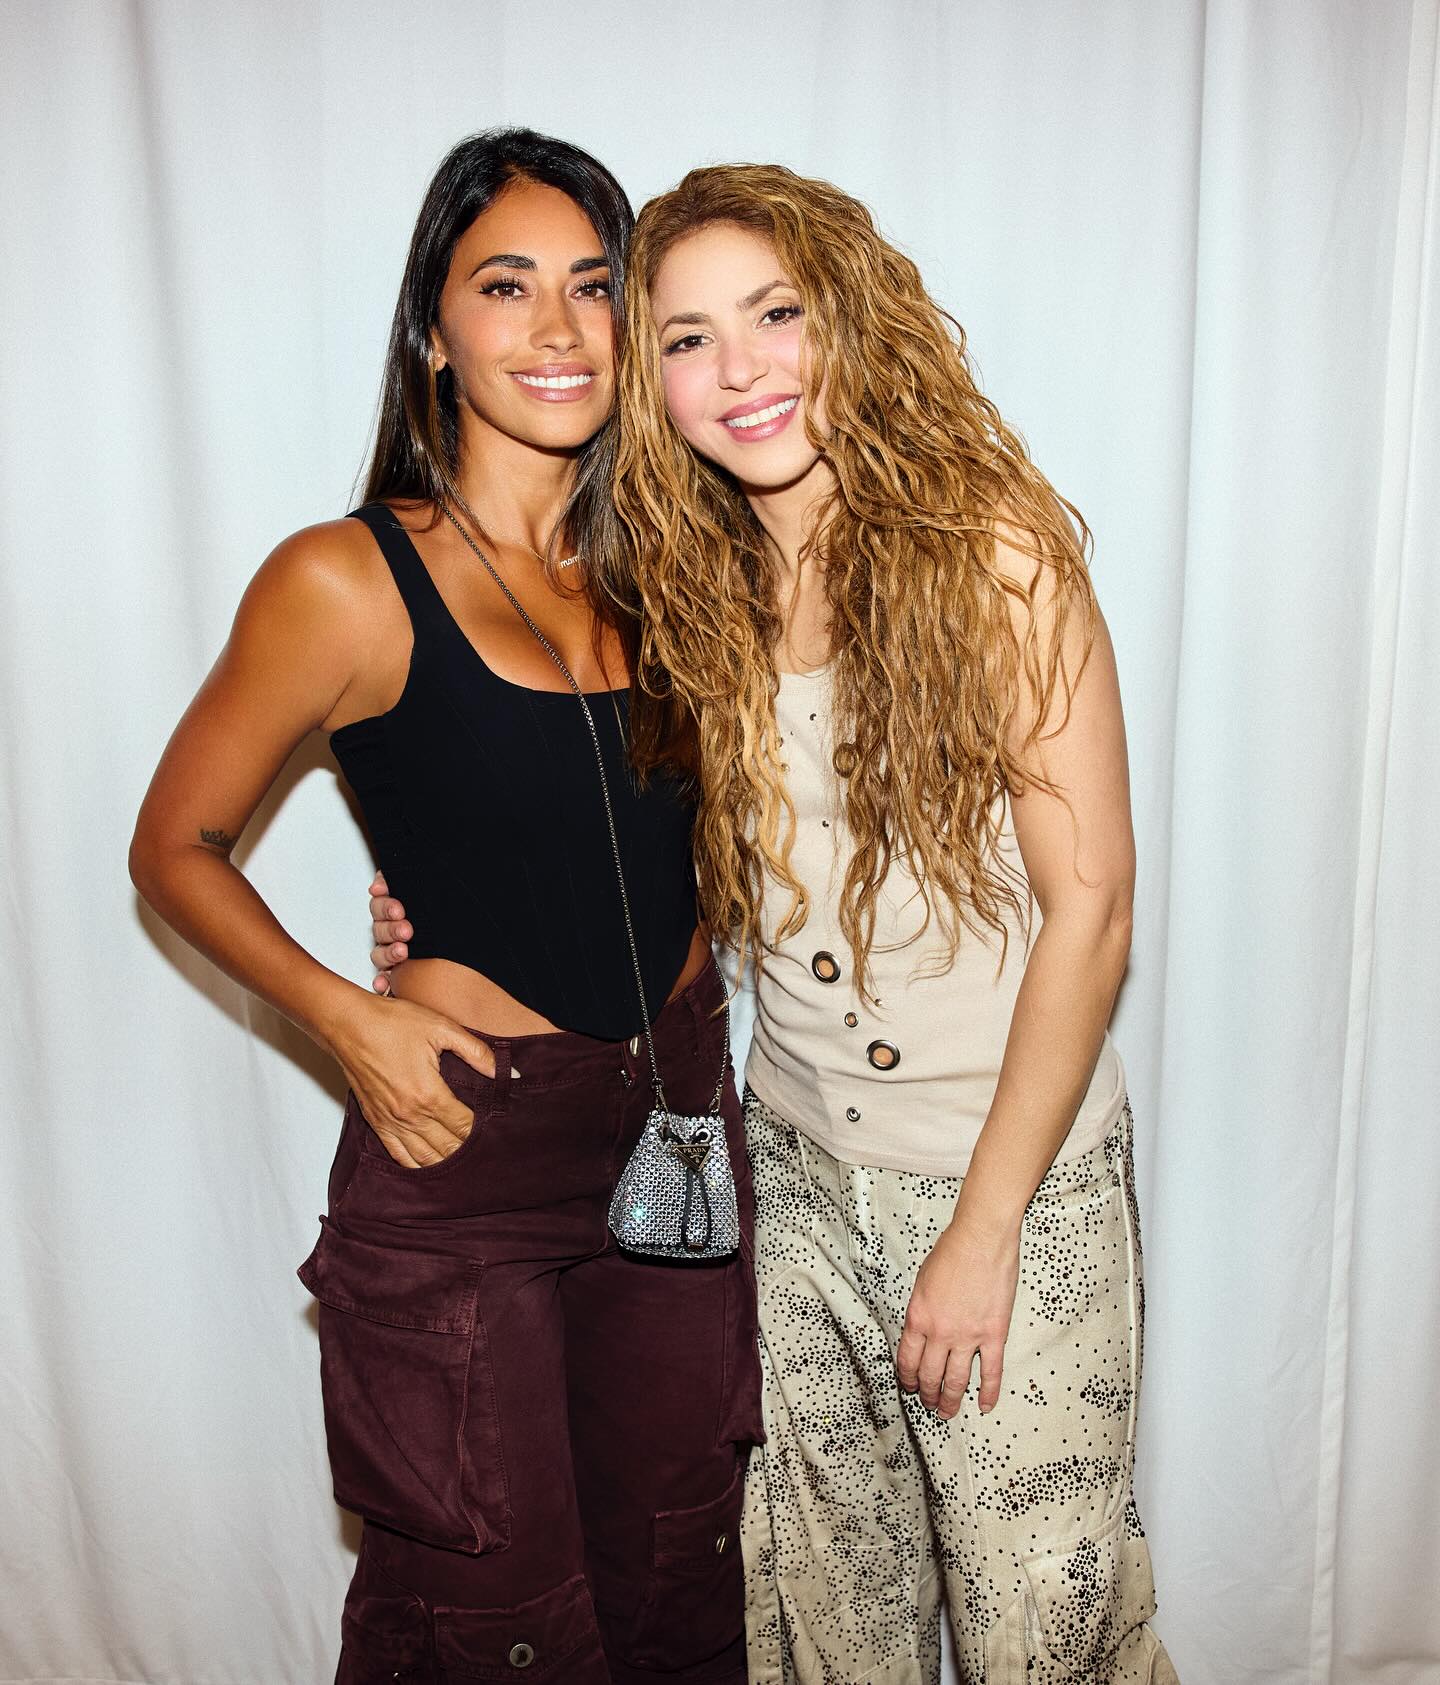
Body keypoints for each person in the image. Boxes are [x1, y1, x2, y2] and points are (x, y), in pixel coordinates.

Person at [376, 161, 1179, 1685]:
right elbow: (597, 816)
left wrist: (984, 1229)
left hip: (1008, 1180)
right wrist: (438, 903)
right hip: (791, 1179)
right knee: (824, 1624)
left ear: (848, 321)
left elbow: (1097, 904)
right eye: (681, 336)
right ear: (646, 379)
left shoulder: (992, 550)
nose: (733, 368)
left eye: (772, 314)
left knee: (1041, 1627)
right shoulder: (693, 580)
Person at [129, 130, 759, 1685]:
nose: (557, 330)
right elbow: (176, 842)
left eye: (595, 289)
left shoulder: (681, 566)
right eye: (506, 286)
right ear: (435, 327)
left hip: (679, 1126)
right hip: (464, 1152)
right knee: (489, 1627)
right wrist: (353, 1020)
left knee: (684, 1586)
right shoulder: (343, 580)